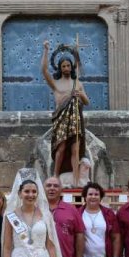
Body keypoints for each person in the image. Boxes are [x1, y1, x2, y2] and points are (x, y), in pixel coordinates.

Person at [41, 40, 90, 185]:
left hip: (75, 119)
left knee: (75, 148)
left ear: (72, 66)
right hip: (61, 118)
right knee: (61, 147)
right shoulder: (56, 83)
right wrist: (45, 51)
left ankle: (76, 178)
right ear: (60, 68)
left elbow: (86, 101)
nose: (66, 68)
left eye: (68, 65)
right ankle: (56, 176)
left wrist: (79, 94)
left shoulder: (78, 83)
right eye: (63, 66)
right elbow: (44, 70)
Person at [79, 182, 121, 257]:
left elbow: (116, 237)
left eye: (96, 194)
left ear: (100, 197)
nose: (93, 197)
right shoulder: (77, 214)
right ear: (85, 197)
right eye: (90, 194)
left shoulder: (109, 214)